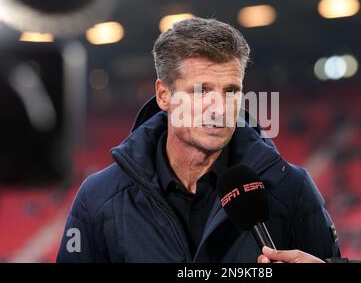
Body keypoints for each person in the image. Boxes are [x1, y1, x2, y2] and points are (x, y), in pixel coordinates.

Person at [57, 17, 340, 262]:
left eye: (230, 91)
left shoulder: (290, 189)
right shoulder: (99, 198)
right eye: (201, 91)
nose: (219, 108)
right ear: (163, 95)